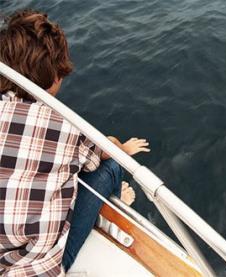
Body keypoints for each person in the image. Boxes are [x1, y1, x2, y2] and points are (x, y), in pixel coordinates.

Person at [0, 10, 150, 276]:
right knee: (110, 167)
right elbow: (105, 150)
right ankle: (117, 206)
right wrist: (123, 148)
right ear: (56, 75)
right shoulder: (66, 126)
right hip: (31, 268)